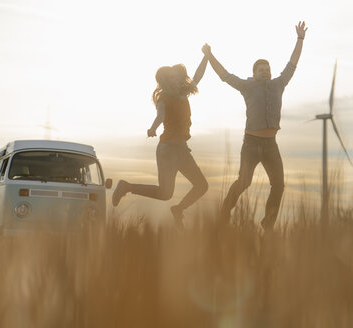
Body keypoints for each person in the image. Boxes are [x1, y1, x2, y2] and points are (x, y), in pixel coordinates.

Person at [202, 21, 307, 230]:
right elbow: (224, 75)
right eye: (261, 70)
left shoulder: (279, 83)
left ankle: (268, 223)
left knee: (278, 185)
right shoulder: (247, 86)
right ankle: (223, 216)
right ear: (254, 72)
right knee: (244, 182)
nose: (266, 72)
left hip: (271, 145)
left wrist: (300, 39)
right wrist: (209, 55)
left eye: (268, 69)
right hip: (251, 144)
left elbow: (292, 63)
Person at [112, 56, 209, 228]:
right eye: (171, 76)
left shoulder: (184, 92)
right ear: (166, 80)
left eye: (178, 75)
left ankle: (178, 209)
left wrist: (206, 56)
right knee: (165, 193)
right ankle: (126, 187)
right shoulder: (164, 97)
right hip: (168, 149)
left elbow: (198, 76)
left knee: (202, 185)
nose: (176, 78)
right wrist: (153, 128)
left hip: (182, 149)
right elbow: (160, 116)